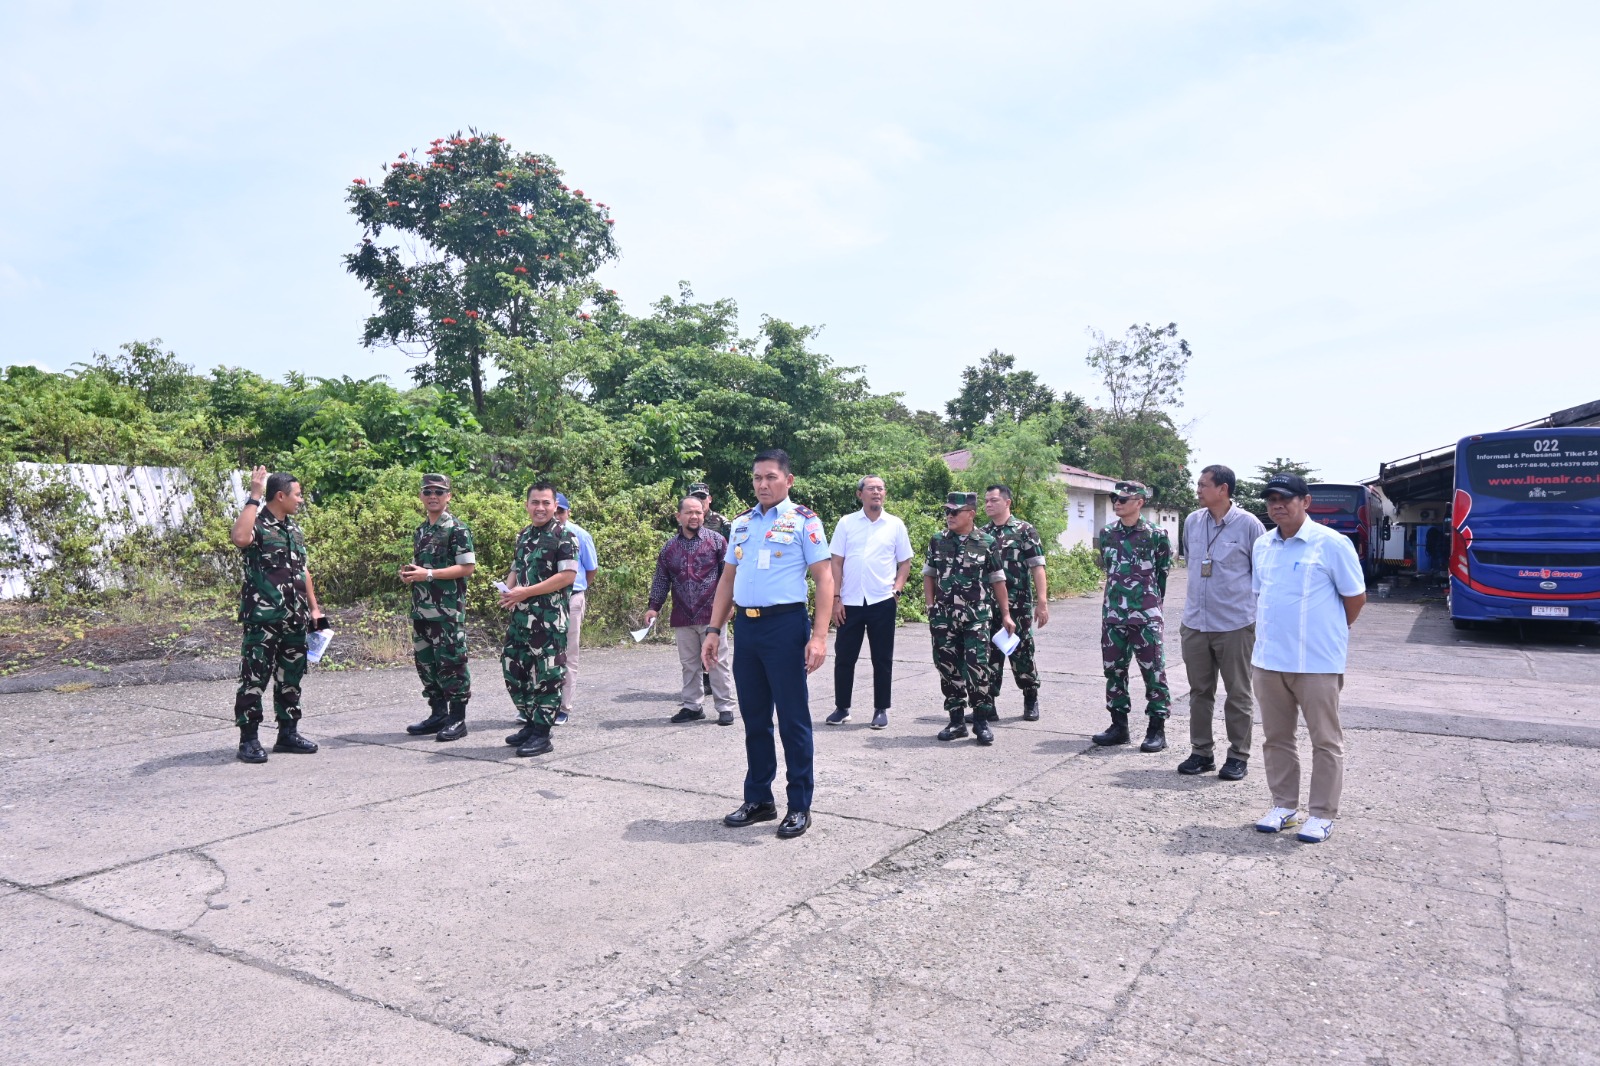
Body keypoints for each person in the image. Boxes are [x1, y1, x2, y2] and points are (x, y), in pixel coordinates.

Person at [701, 449, 834, 839]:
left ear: (788, 480)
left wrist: (820, 636)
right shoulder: (741, 523)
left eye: (771, 477)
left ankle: (799, 806)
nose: (763, 484)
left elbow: (824, 579)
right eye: (757, 477)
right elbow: (728, 579)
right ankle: (759, 798)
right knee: (755, 719)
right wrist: (713, 629)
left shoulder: (804, 521)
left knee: (792, 720)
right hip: (748, 627)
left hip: (786, 627)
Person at [1250, 473, 1367, 843]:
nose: (1277, 505)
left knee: (1325, 741)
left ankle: (1321, 814)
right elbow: (1261, 595)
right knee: (1276, 738)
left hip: (1317, 663)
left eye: (1285, 498)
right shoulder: (1263, 545)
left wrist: (1325, 634)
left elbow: (1355, 599)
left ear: (1306, 502)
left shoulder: (1331, 544)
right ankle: (1284, 806)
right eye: (1270, 499)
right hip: (1269, 661)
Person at [228, 466, 323, 764]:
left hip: (295, 618)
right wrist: (254, 495)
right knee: (255, 677)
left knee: (291, 677)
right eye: (298, 494)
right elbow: (239, 538)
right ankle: (249, 739)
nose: (301, 500)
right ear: (280, 496)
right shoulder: (257, 524)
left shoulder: (293, 529)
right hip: (264, 619)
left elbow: (302, 569)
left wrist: (314, 607)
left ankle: (287, 733)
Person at [1177, 465, 1265, 780]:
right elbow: (1191, 562)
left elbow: (1262, 574)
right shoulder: (1191, 522)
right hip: (1196, 623)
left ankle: (1238, 756)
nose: (1198, 490)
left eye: (1203, 485)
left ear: (1223, 489)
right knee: (1199, 691)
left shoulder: (1249, 525)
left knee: (1238, 692)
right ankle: (1201, 753)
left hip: (1235, 625)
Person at [923, 491, 1015, 746]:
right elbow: (929, 574)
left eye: (955, 512)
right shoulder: (937, 540)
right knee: (948, 668)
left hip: (977, 616)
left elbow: (998, 580)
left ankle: (982, 722)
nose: (949, 516)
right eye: (947, 512)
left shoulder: (986, 542)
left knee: (978, 668)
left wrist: (1006, 614)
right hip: (944, 616)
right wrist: (930, 606)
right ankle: (956, 722)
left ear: (971, 514)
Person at [500, 482, 581, 758]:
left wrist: (527, 592)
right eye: (535, 502)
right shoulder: (523, 535)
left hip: (549, 619)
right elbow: (516, 566)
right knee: (513, 667)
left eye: (546, 503)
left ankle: (542, 733)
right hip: (521, 618)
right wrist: (509, 591)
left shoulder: (564, 536)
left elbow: (567, 577)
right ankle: (530, 720)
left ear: (555, 506)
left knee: (548, 675)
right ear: (527, 505)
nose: (541, 508)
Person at [826, 475, 913, 730]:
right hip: (849, 601)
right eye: (871, 488)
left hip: (882, 600)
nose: (876, 492)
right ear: (859, 494)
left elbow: (904, 562)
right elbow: (836, 562)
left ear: (885, 494)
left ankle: (880, 709)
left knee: (882, 658)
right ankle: (842, 708)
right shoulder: (846, 523)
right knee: (844, 657)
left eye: (880, 488)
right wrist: (835, 598)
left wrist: (897, 590)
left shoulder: (895, 524)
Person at [1092, 481, 1173, 752]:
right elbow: (1110, 570)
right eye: (1115, 497)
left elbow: (1162, 574)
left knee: (1153, 672)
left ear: (1139, 502)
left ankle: (1156, 729)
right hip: (1114, 614)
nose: (1117, 502)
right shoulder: (1107, 534)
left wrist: (1150, 606)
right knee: (1114, 670)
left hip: (1146, 615)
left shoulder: (1156, 535)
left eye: (1124, 499)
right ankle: (1119, 726)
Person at [646, 495, 736, 725]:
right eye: (689, 512)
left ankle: (725, 707)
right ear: (679, 516)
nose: (694, 516)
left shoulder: (717, 541)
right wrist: (653, 607)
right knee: (689, 664)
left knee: (716, 661)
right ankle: (692, 706)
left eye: (698, 512)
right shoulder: (669, 547)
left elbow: (729, 576)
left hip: (712, 615)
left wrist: (731, 605)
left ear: (703, 515)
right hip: (683, 615)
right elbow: (661, 579)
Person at [400, 474, 477, 742]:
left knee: (452, 663)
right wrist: (411, 574)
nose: (433, 496)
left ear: (449, 497)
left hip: (446, 612)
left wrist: (428, 574)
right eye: (428, 491)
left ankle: (457, 719)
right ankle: (438, 714)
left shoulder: (457, 529)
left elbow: (467, 568)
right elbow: (422, 568)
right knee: (427, 664)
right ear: (421, 496)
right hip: (422, 610)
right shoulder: (421, 530)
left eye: (439, 492)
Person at [980, 484, 1049, 722]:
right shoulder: (983, 533)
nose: (988, 504)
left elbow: (1037, 567)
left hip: (1018, 605)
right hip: (989, 607)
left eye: (994, 500)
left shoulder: (1024, 530)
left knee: (1021, 653)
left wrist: (1042, 602)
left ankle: (1030, 698)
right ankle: (989, 704)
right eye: (986, 501)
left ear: (1007, 502)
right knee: (989, 655)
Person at [554, 493, 598, 726]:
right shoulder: (540, 534)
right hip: (544, 601)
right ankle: (540, 704)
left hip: (571, 598)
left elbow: (591, 569)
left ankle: (564, 706)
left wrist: (578, 592)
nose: (557, 516)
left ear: (568, 512)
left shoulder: (579, 534)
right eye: (555, 511)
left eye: (561, 511)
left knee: (568, 654)